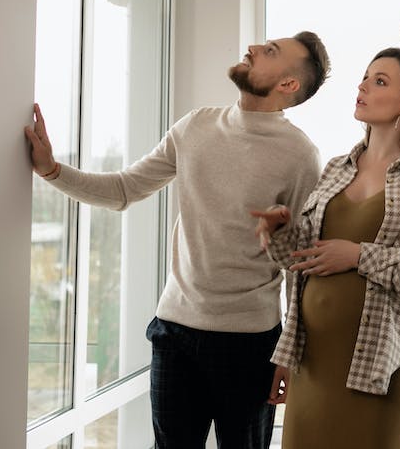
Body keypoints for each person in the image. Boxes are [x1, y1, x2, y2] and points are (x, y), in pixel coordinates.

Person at [24, 32, 330, 449]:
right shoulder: (196, 125)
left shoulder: (300, 156)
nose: (254, 48)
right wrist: (51, 170)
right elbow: (125, 188)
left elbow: (299, 265)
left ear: (288, 84)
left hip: (250, 341)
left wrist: (289, 356)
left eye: (270, 52)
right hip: (174, 331)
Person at [251, 47, 400, 449]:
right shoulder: (336, 168)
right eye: (365, 77)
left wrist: (358, 255)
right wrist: (281, 232)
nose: (363, 86)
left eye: (379, 81)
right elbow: (301, 262)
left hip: (380, 375)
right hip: (311, 368)